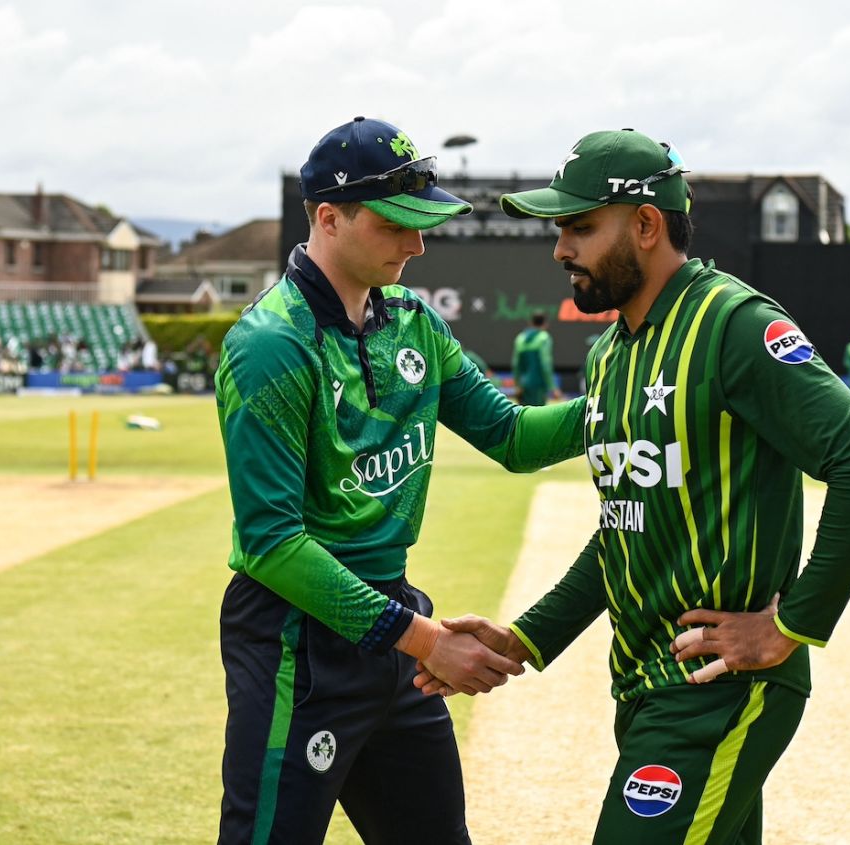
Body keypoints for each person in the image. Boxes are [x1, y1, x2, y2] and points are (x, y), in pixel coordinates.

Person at [416, 128, 850, 844]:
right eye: (559, 230)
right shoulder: (612, 354)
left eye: (580, 227)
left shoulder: (735, 325)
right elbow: (625, 522)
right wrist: (525, 638)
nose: (561, 250)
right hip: (645, 689)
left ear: (646, 225)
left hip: (720, 691)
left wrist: (789, 625)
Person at [213, 116, 586, 845]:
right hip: (297, 641)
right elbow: (271, 543)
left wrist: (621, 401)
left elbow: (510, 436)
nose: (418, 245)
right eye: (396, 226)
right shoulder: (271, 345)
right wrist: (423, 640)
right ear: (329, 217)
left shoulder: (414, 321)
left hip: (394, 633)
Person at [512, 311, 557, 405]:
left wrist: (517, 385)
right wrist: (553, 387)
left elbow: (515, 364)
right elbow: (545, 365)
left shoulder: (520, 338)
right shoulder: (544, 338)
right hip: (538, 386)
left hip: (523, 387)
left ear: (531, 323)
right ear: (545, 324)